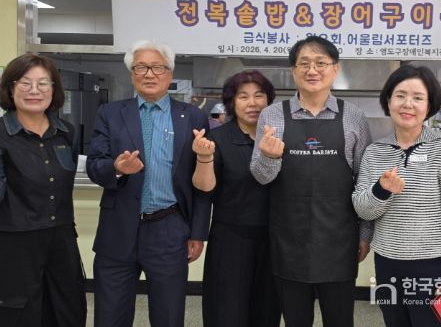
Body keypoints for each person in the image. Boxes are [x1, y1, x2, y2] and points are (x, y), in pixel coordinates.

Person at [86, 40, 211, 327]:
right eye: (141, 67)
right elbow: (94, 166)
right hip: (117, 228)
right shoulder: (111, 113)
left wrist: (197, 232)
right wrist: (117, 168)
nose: (149, 74)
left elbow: (201, 181)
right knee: (110, 316)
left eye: (157, 67)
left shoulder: (192, 116)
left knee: (168, 316)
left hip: (169, 228)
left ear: (170, 73)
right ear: (132, 73)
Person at [250, 35, 372, 327]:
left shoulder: (354, 117)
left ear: (335, 68)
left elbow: (364, 181)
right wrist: (269, 157)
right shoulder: (272, 115)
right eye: (304, 64)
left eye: (320, 63)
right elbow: (261, 176)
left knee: (340, 320)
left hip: (339, 241)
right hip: (288, 240)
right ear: (294, 71)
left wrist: (365, 234)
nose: (312, 70)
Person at [352, 65, 441, 327]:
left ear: (429, 105)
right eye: (400, 95)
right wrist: (381, 190)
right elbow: (363, 210)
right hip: (387, 265)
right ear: (388, 100)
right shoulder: (374, 152)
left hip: (434, 268)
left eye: (418, 97)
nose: (407, 104)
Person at [0, 54, 86, 326]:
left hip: (62, 239)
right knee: (20, 313)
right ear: (11, 89)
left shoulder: (66, 132)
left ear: (54, 89)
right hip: (15, 241)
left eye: (43, 83)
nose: (34, 90)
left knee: (68, 309)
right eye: (25, 83)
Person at [192, 69, 281, 327]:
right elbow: (205, 188)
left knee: (266, 312)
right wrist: (204, 157)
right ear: (231, 102)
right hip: (231, 239)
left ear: (269, 100)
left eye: (259, 95)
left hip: (274, 240)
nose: (252, 103)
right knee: (227, 312)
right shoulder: (218, 138)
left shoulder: (279, 138)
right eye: (243, 96)